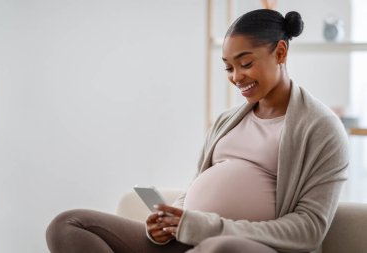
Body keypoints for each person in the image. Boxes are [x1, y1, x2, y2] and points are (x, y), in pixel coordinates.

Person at [46, 9, 348, 253]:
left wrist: (206, 227)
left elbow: (308, 229)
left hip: (246, 247)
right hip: (188, 240)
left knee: (220, 248)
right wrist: (168, 222)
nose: (236, 77)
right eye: (229, 68)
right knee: (68, 224)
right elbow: (195, 190)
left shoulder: (320, 128)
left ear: (280, 53)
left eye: (245, 63)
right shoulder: (227, 121)